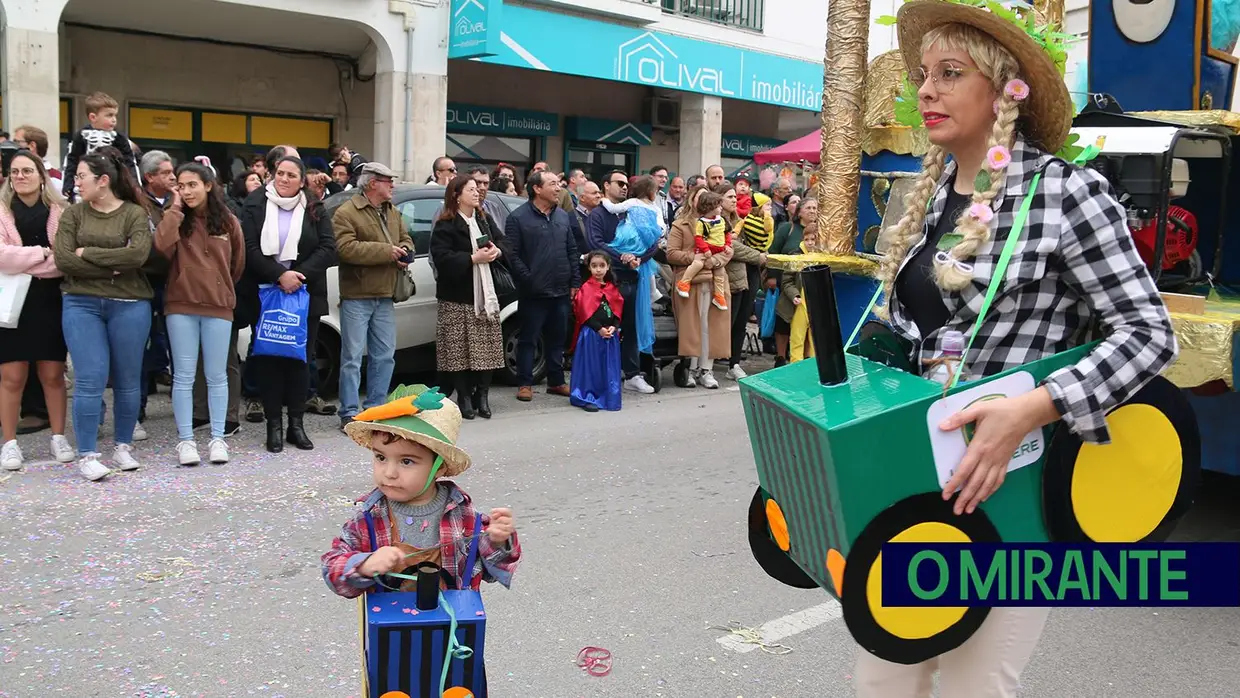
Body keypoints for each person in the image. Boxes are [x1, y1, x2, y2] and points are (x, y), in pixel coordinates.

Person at [854, 3, 1178, 695]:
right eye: (922, 75)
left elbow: (1150, 335)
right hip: (916, 483)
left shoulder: (1066, 191)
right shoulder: (931, 194)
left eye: (950, 73)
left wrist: (1034, 407)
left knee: (977, 685)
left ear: (1006, 91)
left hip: (1015, 493)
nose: (927, 90)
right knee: (883, 680)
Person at [320, 384, 520, 626]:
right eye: (380, 457)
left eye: (406, 461)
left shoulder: (465, 515)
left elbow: (493, 570)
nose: (389, 473)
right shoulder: (368, 518)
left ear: (441, 467)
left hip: (453, 640)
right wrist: (363, 565)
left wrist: (498, 541)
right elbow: (332, 567)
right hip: (390, 642)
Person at [53, 147, 153, 481]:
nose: (77, 182)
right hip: (81, 302)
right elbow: (64, 260)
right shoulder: (73, 214)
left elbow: (138, 255)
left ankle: (123, 446)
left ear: (103, 180)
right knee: (90, 377)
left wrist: (89, 255)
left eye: (82, 176)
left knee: (127, 379)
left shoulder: (134, 215)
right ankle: (87, 454)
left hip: (130, 303)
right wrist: (112, 265)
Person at [238, 155, 337, 453]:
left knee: (299, 361)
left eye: (291, 175)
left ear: (301, 180)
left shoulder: (315, 207)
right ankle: (274, 426)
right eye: (279, 173)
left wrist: (298, 275)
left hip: (304, 294)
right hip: (266, 293)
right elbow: (249, 247)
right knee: (268, 360)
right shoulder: (255, 203)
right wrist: (280, 275)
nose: (283, 179)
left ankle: (296, 424)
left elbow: (328, 248)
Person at [155, 162, 245, 467]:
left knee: (217, 375)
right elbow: (160, 245)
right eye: (181, 185)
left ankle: (218, 438)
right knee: (183, 376)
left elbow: (237, 265)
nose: (186, 190)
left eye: (192, 184)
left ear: (208, 185)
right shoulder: (177, 218)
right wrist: (175, 208)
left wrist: (219, 288)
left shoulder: (229, 221)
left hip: (218, 306)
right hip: (180, 305)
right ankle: (186, 441)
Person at [0, 150, 75, 471]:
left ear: (41, 176)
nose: (20, 177)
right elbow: (0, 257)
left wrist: (22, 260)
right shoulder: (2, 211)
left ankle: (59, 437)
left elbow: (62, 260)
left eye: (27, 171)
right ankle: (10, 443)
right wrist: (40, 253)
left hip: (49, 301)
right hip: (11, 303)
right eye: (14, 172)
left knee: (52, 374)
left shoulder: (59, 210)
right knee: (11, 376)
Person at [331, 162, 412, 431]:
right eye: (387, 181)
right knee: (352, 357)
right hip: (357, 295)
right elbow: (345, 249)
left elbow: (406, 239)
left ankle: (376, 408)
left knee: (385, 355)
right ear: (372, 183)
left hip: (385, 294)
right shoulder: (346, 212)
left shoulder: (393, 211)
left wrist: (404, 250)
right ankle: (350, 413)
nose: (392, 185)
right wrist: (386, 252)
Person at [430, 175, 507, 420]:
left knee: (487, 350)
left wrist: (497, 251)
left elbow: (504, 242)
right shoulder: (446, 223)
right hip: (457, 297)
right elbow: (442, 259)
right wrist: (473, 259)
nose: (477, 193)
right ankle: (464, 396)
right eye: (471, 189)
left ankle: (481, 395)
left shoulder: (483, 219)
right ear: (456, 194)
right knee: (458, 352)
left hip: (485, 296)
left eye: (478, 189)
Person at [504, 170, 581, 402]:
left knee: (558, 338)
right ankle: (525, 383)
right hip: (533, 291)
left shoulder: (563, 217)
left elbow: (572, 250)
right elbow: (511, 255)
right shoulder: (518, 218)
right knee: (529, 337)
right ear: (537, 189)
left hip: (560, 288)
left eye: (559, 184)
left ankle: (556, 381)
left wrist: (574, 280)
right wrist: (528, 279)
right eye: (553, 184)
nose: (558, 188)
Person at [585, 171, 659, 394]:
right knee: (606, 327)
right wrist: (622, 256)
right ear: (606, 185)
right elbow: (594, 242)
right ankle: (603, 375)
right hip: (608, 280)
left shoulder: (635, 209)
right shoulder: (598, 215)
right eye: (619, 183)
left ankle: (633, 374)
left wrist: (639, 258)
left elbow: (653, 241)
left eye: (627, 184)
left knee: (632, 326)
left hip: (635, 277)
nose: (625, 187)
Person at [666, 184, 732, 389]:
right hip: (691, 282)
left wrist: (714, 261)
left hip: (715, 281)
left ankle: (707, 369)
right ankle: (691, 369)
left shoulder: (721, 223)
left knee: (712, 327)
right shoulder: (681, 225)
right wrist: (694, 258)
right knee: (693, 328)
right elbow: (671, 253)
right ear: (692, 200)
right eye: (700, 197)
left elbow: (728, 250)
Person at [569, 251, 624, 413]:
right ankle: (587, 396)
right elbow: (584, 313)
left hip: (609, 335)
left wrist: (614, 326)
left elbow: (617, 311)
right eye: (594, 266)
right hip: (592, 335)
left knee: (606, 367)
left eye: (602, 266)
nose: (598, 270)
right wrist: (599, 329)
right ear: (589, 268)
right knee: (591, 367)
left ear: (608, 267)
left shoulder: (612, 288)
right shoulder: (586, 288)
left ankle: (607, 395)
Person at [61, 92, 138, 201]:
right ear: (93, 117)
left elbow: (129, 162)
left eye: (115, 115)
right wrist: (68, 185)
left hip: (114, 187)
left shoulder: (119, 138)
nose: (114, 119)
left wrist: (134, 185)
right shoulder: (81, 136)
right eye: (109, 115)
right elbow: (72, 161)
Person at [769, 197, 818, 365]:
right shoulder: (787, 229)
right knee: (786, 325)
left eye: (815, 208)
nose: (812, 211)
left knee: (812, 334)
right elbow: (773, 253)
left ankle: (810, 363)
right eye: (809, 207)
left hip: (812, 295)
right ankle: (782, 358)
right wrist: (772, 277)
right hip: (791, 288)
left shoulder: (821, 240)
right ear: (800, 211)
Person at [676, 190, 730, 311]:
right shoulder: (701, 223)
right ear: (710, 207)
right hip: (706, 249)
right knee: (697, 263)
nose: (721, 208)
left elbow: (726, 233)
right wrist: (705, 250)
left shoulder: (721, 220)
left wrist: (727, 244)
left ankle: (719, 296)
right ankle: (683, 283)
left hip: (719, 250)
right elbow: (698, 238)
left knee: (719, 274)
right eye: (718, 206)